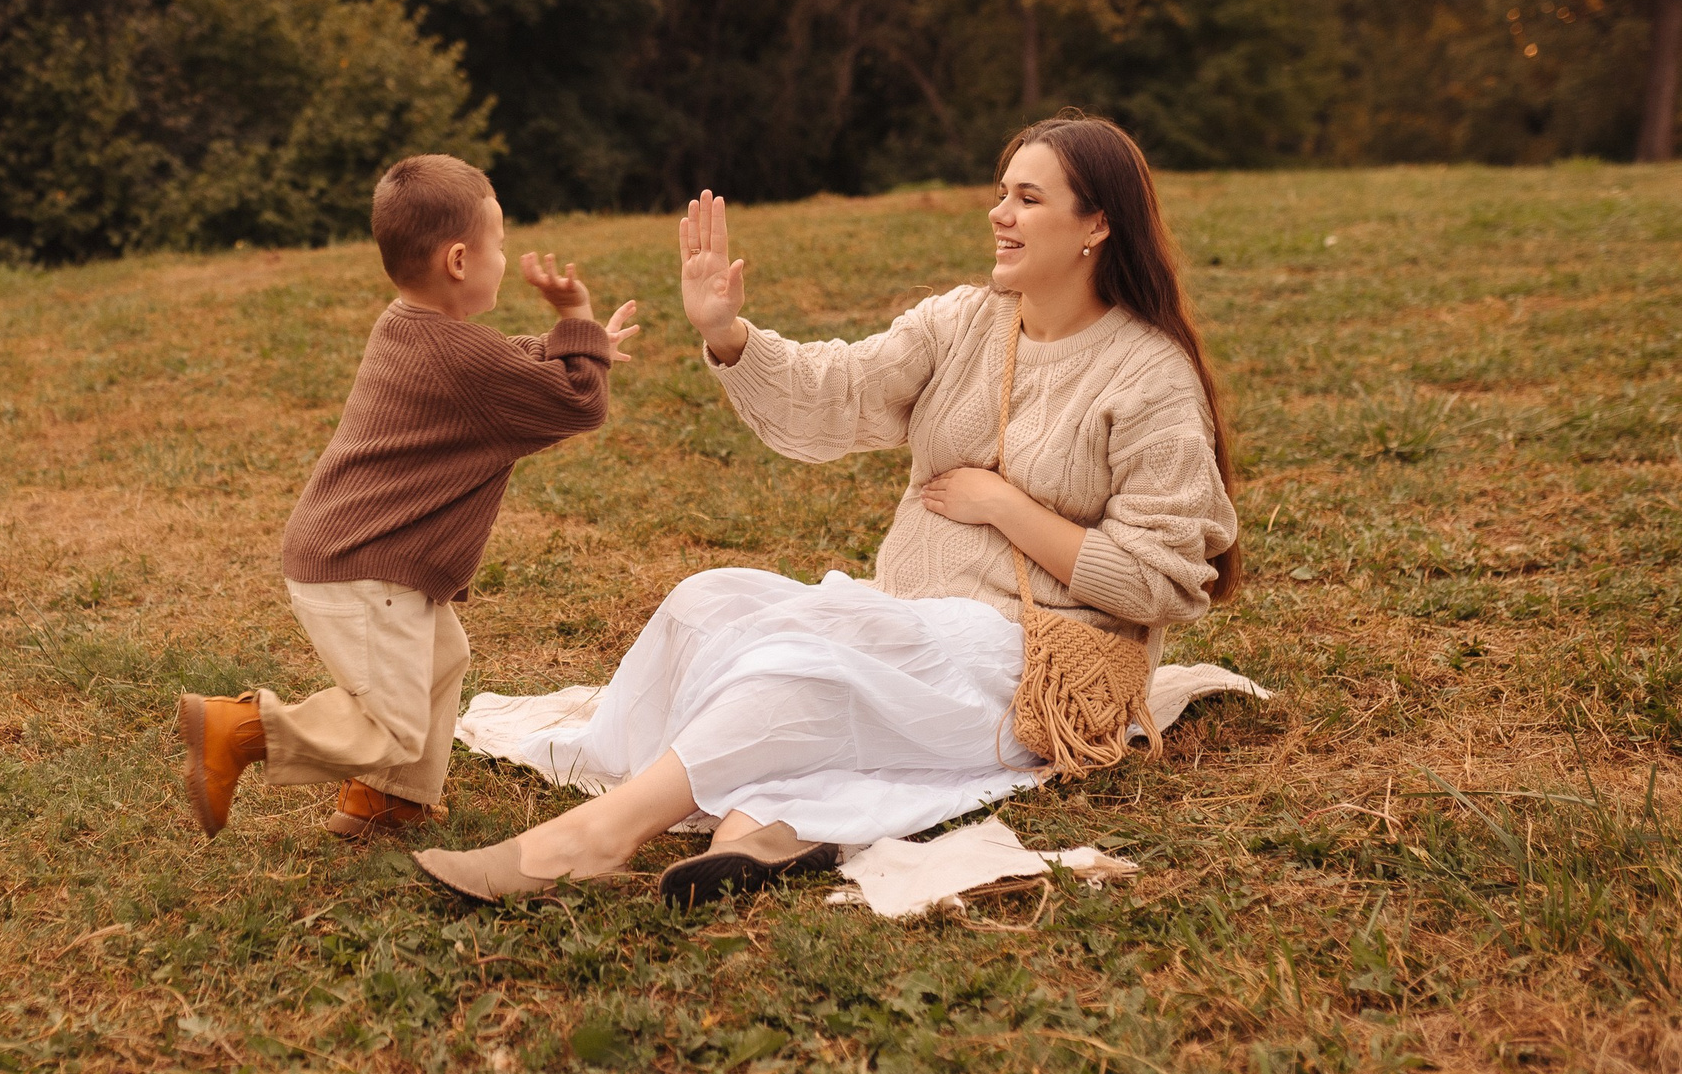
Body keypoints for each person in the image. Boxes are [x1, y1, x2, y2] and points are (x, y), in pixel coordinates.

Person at [413, 113, 1242, 906]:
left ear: (1096, 224)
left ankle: (597, 836)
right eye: (1002, 191)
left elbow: (1158, 579)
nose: (1000, 213)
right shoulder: (965, 322)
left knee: (805, 667)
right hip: (912, 616)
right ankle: (762, 825)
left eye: (1028, 198)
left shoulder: (1148, 376)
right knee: (710, 601)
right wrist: (729, 333)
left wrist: (1004, 506)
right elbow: (838, 390)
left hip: (1029, 656)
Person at [180, 154, 640, 840]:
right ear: (460, 259)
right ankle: (241, 729)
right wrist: (577, 323)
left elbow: (495, 363)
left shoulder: (406, 325)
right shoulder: (456, 358)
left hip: (351, 550)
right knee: (389, 722)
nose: (507, 257)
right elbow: (578, 401)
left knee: (440, 659)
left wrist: (568, 345)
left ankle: (389, 801)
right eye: (502, 242)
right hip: (368, 564)